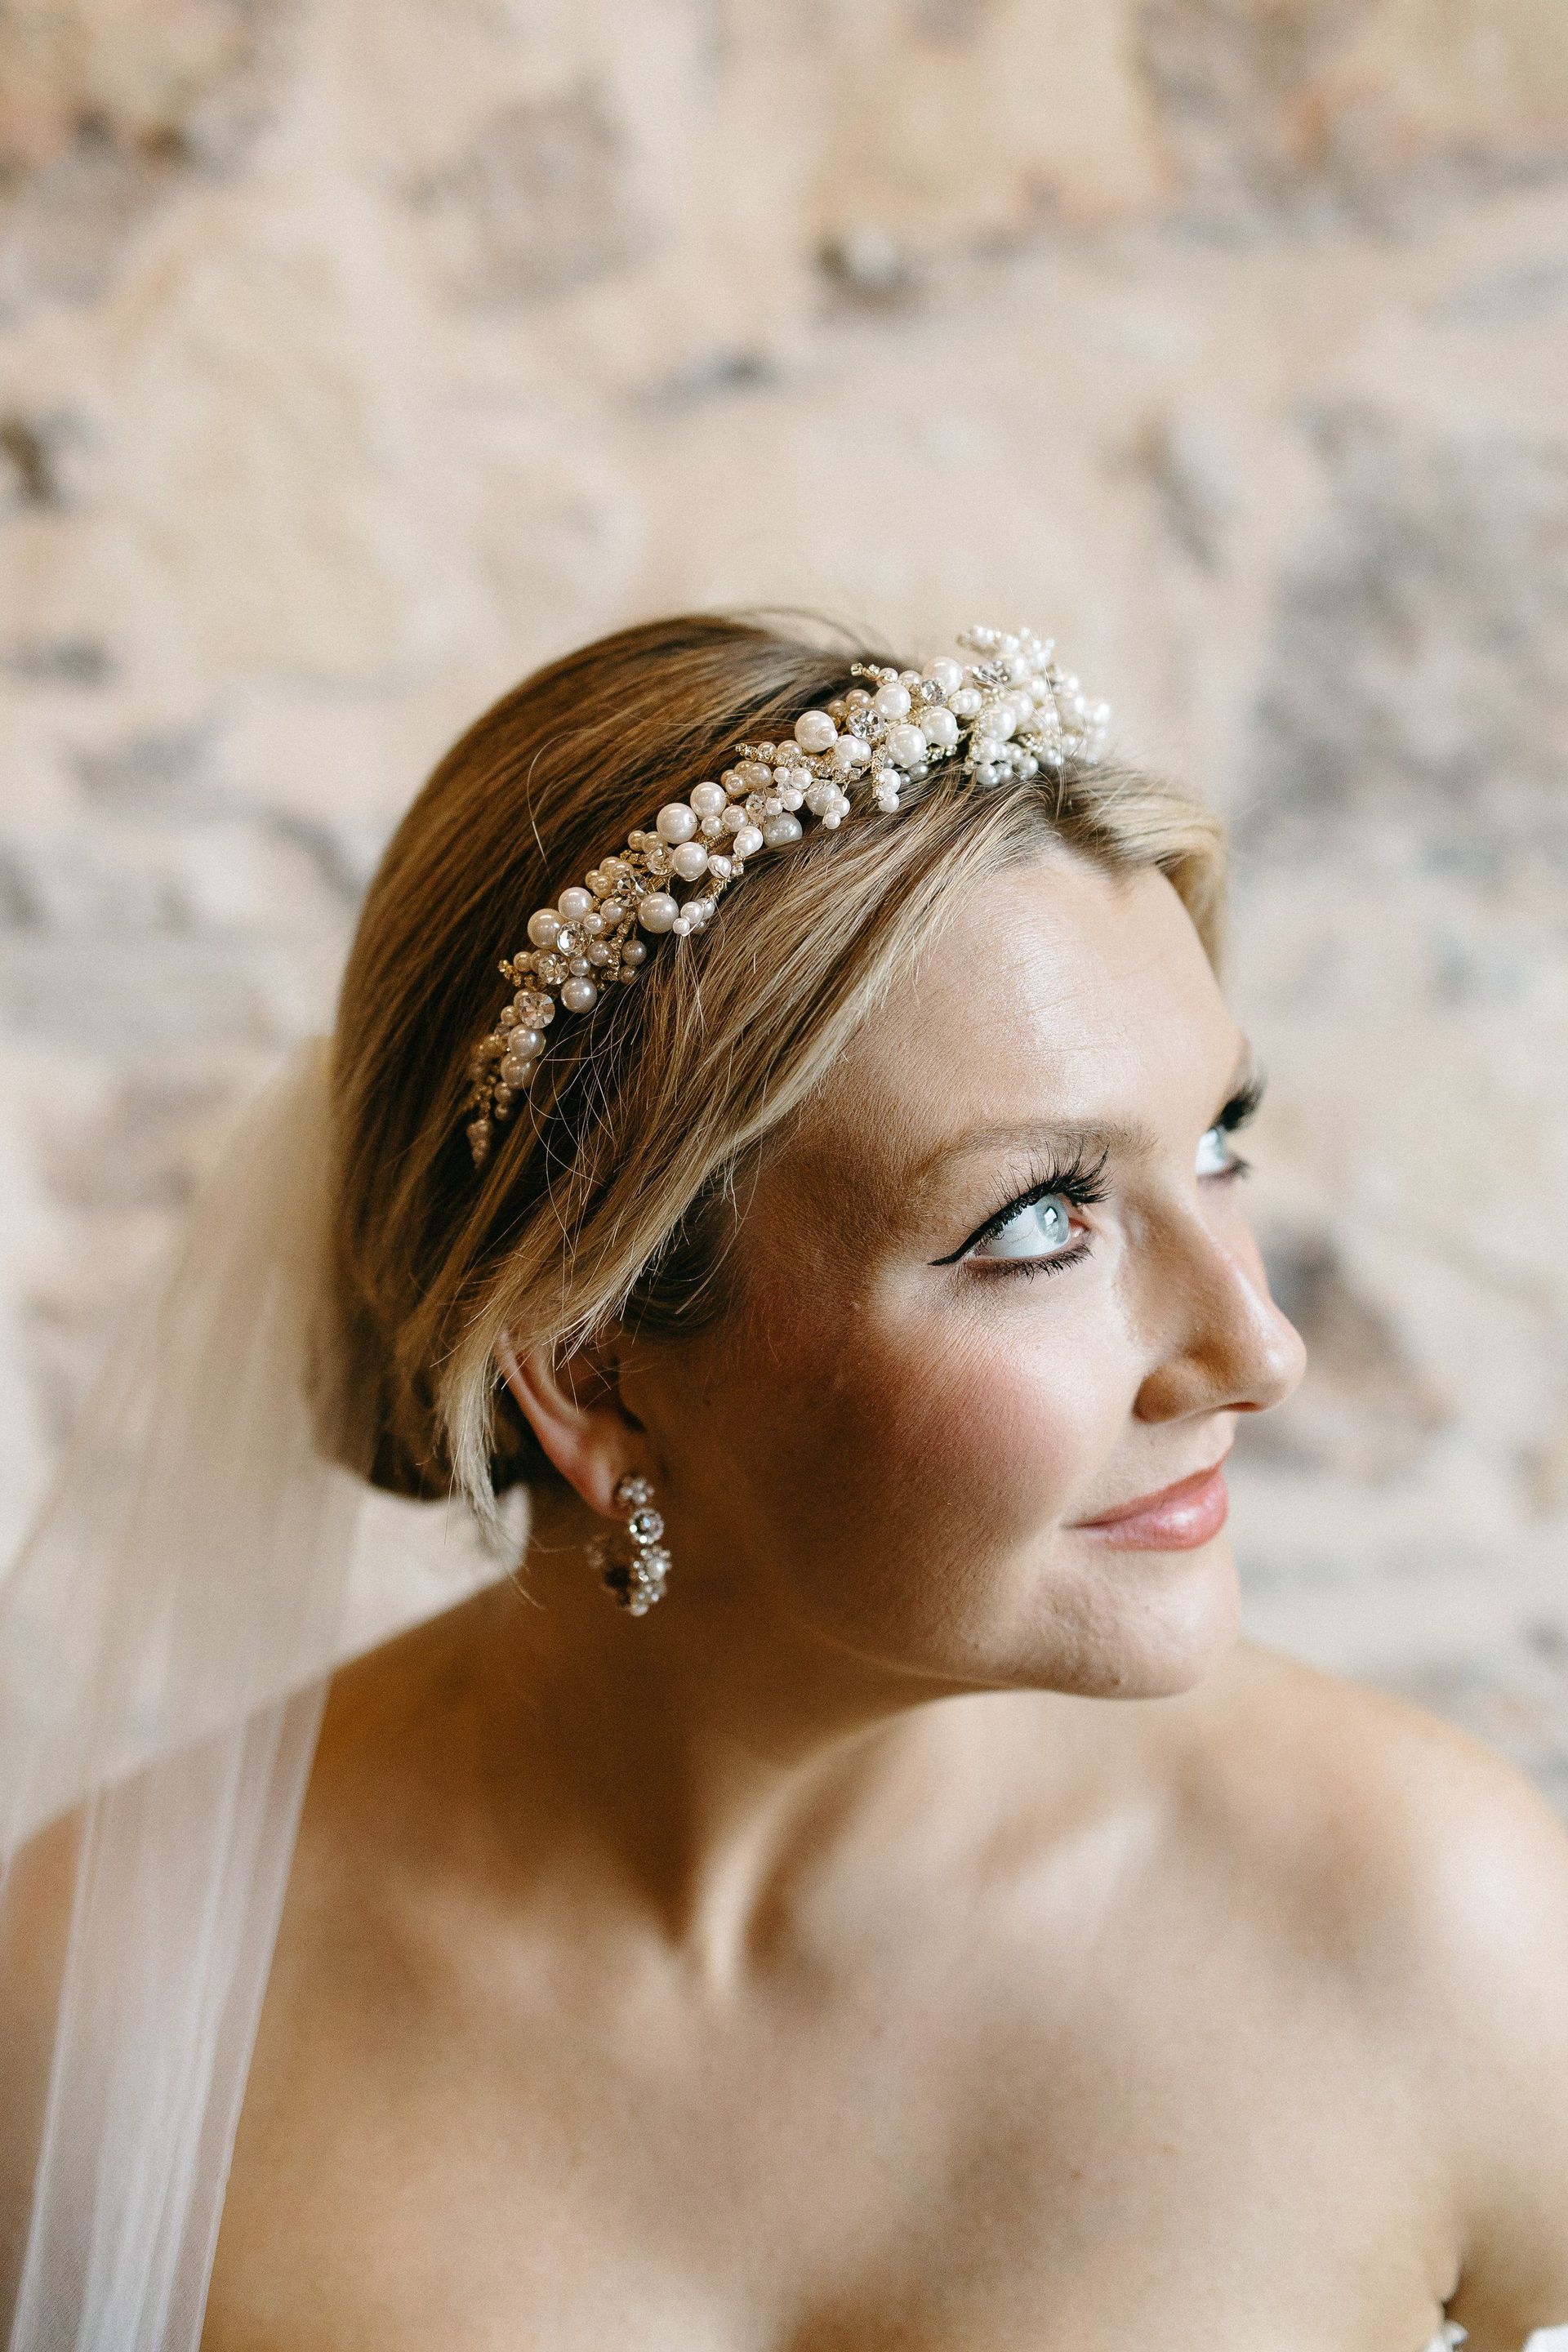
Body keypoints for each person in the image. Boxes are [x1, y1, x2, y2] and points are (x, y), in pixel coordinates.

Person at [2, 614, 1566, 2352]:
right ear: (590, 1376)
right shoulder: (113, 2002)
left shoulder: (1442, 1929)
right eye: (1040, 1218)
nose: (1257, 1349)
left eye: (1219, 1142)